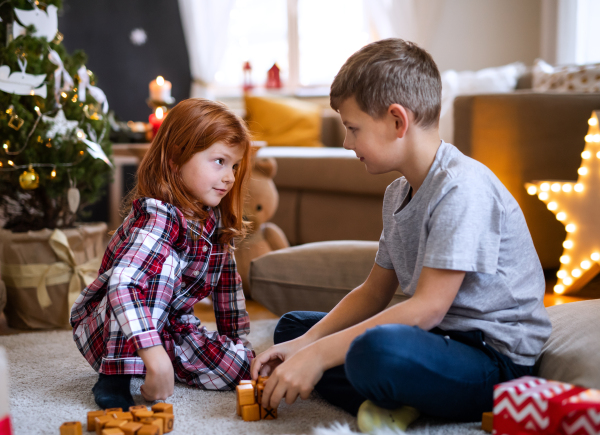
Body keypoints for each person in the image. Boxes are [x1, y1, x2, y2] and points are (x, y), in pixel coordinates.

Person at [251, 39, 552, 433]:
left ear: (397, 121)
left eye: (353, 128)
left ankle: (397, 393)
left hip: (494, 361)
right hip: (438, 341)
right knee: (292, 329)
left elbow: (427, 308)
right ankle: (401, 397)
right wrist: (307, 345)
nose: (346, 143)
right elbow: (373, 292)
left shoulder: (462, 188)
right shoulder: (398, 193)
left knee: (373, 352)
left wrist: (320, 356)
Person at [71, 98, 255, 409]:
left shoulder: (214, 221)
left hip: (170, 324)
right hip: (112, 322)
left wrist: (240, 348)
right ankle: (116, 374)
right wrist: (155, 358)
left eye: (234, 166)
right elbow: (123, 285)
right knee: (163, 266)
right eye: (220, 162)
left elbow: (228, 289)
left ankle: (158, 361)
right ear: (175, 159)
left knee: (241, 368)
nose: (229, 177)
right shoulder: (157, 216)